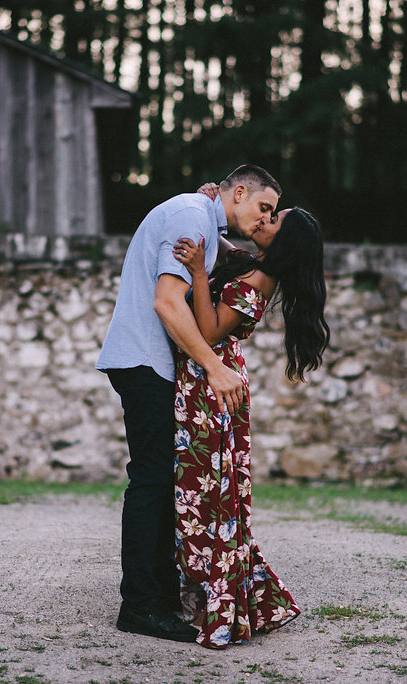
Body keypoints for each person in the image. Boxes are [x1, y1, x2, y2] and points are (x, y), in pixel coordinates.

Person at [96, 164, 283, 643]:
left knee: (159, 482)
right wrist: (214, 367)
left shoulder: (201, 216)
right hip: (145, 361)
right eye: (263, 207)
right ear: (238, 192)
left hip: (150, 362)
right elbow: (166, 301)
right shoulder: (191, 215)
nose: (265, 218)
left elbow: (228, 263)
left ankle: (156, 599)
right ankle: (138, 605)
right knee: (151, 480)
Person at [171, 205, 330, 649]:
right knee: (200, 492)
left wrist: (200, 273)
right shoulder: (255, 265)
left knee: (203, 494)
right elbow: (224, 240)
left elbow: (207, 329)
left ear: (284, 242)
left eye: (273, 219)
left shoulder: (260, 281)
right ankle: (221, 594)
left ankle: (215, 602)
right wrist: (211, 205)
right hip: (206, 385)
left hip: (212, 390)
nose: (263, 220)